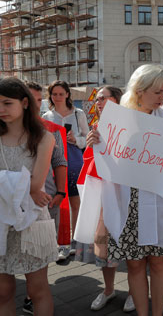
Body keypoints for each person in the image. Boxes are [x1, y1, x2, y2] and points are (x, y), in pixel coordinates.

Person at [83, 65, 163, 316]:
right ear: (139, 91)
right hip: (129, 204)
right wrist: (94, 145)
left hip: (160, 202)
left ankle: (157, 312)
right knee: (135, 265)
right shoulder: (118, 118)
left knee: (160, 263)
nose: (162, 97)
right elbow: (103, 164)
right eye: (157, 92)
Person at [0, 77, 57, 316]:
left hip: (32, 221)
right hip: (1, 221)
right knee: (2, 290)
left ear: (25, 103)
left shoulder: (44, 138)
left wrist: (31, 188)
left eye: (7, 103)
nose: (1, 110)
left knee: (37, 288)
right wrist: (28, 188)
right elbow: (30, 187)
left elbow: (36, 183)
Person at [76, 86, 135, 312]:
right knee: (104, 245)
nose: (98, 102)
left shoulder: (130, 125)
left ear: (117, 100)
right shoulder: (96, 127)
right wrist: (91, 145)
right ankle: (108, 290)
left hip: (126, 194)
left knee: (129, 245)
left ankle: (134, 291)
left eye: (102, 98)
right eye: (97, 99)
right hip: (103, 193)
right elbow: (90, 163)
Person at [22, 81, 68, 314]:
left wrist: (60, 193)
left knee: (42, 252)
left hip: (46, 201)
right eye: (32, 99)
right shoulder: (6, 129)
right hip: (12, 204)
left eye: (40, 100)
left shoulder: (49, 130)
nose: (36, 105)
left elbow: (60, 162)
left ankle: (33, 295)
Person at [43, 80, 89, 259]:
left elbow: (87, 138)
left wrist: (75, 139)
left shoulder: (79, 114)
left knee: (75, 203)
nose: (58, 97)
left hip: (75, 160)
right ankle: (61, 242)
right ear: (51, 96)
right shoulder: (47, 116)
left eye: (61, 94)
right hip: (54, 161)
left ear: (68, 95)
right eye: (54, 94)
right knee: (58, 203)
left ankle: (75, 241)